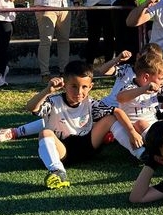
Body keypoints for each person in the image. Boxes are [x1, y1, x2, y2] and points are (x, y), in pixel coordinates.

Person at [27, 60, 136, 190]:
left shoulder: (90, 103)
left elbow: (117, 111)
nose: (79, 92)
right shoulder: (53, 102)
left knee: (110, 118)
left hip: (87, 146)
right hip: (63, 152)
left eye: (84, 87)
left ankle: (141, 154)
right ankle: (57, 170)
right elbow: (31, 107)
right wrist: (47, 91)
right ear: (64, 85)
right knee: (44, 133)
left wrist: (132, 132)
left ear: (90, 87)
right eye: (73, 86)